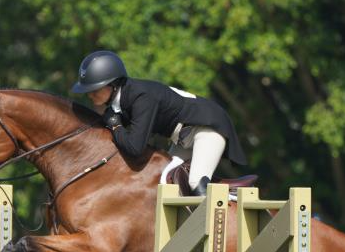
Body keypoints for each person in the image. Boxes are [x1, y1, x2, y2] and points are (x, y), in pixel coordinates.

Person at [70, 50, 247, 195]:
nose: (90, 94)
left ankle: (223, 219)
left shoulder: (141, 97)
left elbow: (134, 147)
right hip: (184, 138)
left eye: (95, 89)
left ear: (113, 84)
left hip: (207, 127)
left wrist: (116, 125)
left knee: (195, 180)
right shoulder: (124, 99)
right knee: (165, 180)